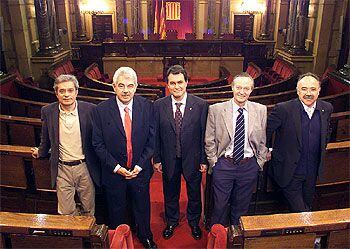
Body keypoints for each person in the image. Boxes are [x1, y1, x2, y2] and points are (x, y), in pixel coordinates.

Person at [92, 67, 157, 249]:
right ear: (114, 87)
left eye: (130, 86)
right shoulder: (101, 110)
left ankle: (145, 236)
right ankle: (119, 241)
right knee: (117, 210)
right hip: (114, 173)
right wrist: (116, 167)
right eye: (121, 86)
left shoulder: (147, 106)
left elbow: (152, 141)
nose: (126, 90)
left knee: (142, 206)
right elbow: (97, 144)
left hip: (139, 171)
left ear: (136, 86)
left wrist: (140, 165)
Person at [31, 74, 100, 216]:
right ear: (56, 93)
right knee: (66, 212)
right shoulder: (48, 111)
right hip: (62, 168)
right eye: (62, 91)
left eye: (70, 90)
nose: (66, 95)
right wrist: (41, 152)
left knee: (89, 209)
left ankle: (86, 236)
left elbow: (98, 138)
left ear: (76, 92)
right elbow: (45, 138)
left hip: (85, 167)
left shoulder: (90, 110)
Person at [205, 72, 267, 227]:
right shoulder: (216, 110)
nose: (242, 91)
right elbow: (209, 139)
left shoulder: (260, 110)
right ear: (232, 88)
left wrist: (259, 163)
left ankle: (236, 239)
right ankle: (218, 238)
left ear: (251, 90)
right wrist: (215, 163)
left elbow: (262, 140)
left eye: (246, 88)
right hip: (224, 164)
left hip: (248, 165)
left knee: (241, 207)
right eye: (238, 87)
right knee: (219, 206)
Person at [153, 65, 208, 240]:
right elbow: (155, 135)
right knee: (170, 193)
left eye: (180, 82)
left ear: (186, 83)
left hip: (193, 158)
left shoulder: (200, 105)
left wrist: (203, 159)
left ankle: (193, 222)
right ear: (167, 85)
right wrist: (157, 158)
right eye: (172, 83)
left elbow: (204, 134)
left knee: (194, 193)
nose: (176, 87)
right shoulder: (158, 105)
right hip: (169, 158)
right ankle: (172, 221)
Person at [266, 72, 333, 212]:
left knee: (307, 205)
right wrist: (268, 150)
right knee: (301, 211)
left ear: (319, 90)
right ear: (297, 91)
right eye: (304, 89)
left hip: (312, 173)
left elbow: (326, 133)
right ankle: (311, 233)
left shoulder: (326, 108)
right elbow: (265, 132)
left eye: (313, 89)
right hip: (289, 172)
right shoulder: (283, 109)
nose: (308, 93)